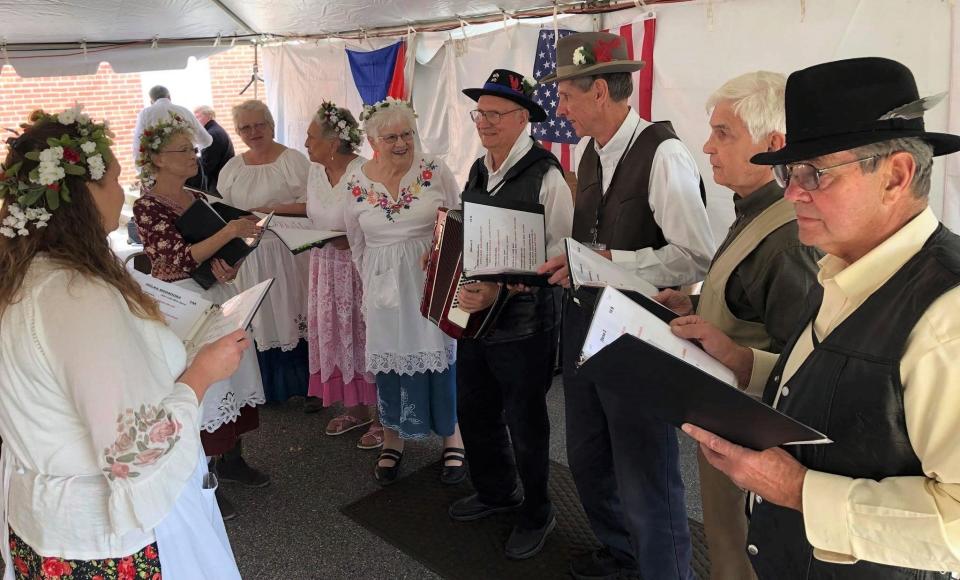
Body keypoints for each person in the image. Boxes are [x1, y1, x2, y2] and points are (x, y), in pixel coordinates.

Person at [673, 57, 960, 579]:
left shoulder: (949, 318)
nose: (791, 192)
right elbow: (848, 393)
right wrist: (746, 364)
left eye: (816, 173)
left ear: (896, 175)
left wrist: (798, 491)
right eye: (789, 172)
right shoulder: (843, 265)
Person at [0, 105, 244, 578]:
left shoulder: (25, 277)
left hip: (50, 524)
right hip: (106, 537)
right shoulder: (75, 293)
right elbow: (134, 451)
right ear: (80, 195)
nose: (122, 191)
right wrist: (201, 374)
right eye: (112, 178)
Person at [536, 32, 716, 580]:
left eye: (566, 95)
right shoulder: (591, 154)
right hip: (587, 328)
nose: (560, 107)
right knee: (589, 459)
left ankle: (665, 571)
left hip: (639, 337)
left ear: (598, 92)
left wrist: (613, 260)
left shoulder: (663, 153)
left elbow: (695, 257)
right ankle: (621, 554)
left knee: (646, 474)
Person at [653, 71, 821, 580]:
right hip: (730, 426)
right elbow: (749, 291)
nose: (707, 145)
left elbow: (806, 363)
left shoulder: (789, 236)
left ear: (775, 146)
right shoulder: (758, 212)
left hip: (754, 441)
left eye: (724, 133)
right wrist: (699, 299)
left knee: (741, 554)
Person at [446, 68, 573, 560]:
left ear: (524, 119)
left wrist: (497, 294)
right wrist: (442, 251)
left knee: (525, 420)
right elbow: (471, 232)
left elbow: (559, 263)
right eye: (481, 112)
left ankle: (539, 510)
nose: (485, 121)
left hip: (525, 324)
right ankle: (498, 491)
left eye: (496, 113)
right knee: (474, 410)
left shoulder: (548, 176)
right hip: (475, 318)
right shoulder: (480, 169)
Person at [132, 111, 270, 521]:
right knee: (204, 384)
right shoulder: (148, 206)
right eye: (183, 150)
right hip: (182, 302)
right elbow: (172, 263)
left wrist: (230, 262)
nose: (193, 155)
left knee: (232, 373)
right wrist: (228, 234)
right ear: (157, 159)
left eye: (193, 149)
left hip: (212, 292)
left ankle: (232, 459)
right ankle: (203, 473)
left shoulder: (197, 196)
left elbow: (210, 255)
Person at [343, 97, 465, 486]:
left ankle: (452, 435)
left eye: (407, 134)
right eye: (391, 136)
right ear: (372, 140)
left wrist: (442, 256)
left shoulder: (434, 170)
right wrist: (371, 280)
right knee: (390, 358)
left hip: (429, 278)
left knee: (441, 354)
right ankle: (392, 440)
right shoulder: (356, 178)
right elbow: (356, 240)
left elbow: (460, 217)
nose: (401, 143)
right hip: (383, 285)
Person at [218, 100, 313, 403]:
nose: (253, 132)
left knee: (292, 311)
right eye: (245, 127)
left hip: (287, 250)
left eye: (259, 124)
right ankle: (267, 388)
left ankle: (308, 388)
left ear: (271, 125)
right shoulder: (233, 167)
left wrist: (268, 211)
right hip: (248, 254)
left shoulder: (293, 160)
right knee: (260, 317)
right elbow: (222, 210)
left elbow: (314, 204)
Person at [304, 101, 382, 449]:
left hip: (357, 266)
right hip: (323, 266)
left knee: (364, 336)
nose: (305, 144)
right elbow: (314, 215)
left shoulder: (366, 172)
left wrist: (346, 239)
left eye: (311, 137)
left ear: (333, 143)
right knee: (336, 333)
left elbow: (381, 223)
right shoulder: (313, 172)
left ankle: (383, 418)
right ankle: (354, 408)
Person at [133, 85, 211, 161]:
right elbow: (207, 140)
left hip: (162, 165)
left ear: (151, 102)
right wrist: (192, 149)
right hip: (187, 163)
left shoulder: (145, 113)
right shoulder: (184, 111)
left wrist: (142, 170)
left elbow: (138, 147)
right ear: (169, 97)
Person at [187, 105, 235, 194]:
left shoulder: (212, 134)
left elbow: (207, 165)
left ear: (208, 115)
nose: (196, 121)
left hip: (219, 183)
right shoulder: (214, 130)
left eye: (198, 117)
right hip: (221, 178)